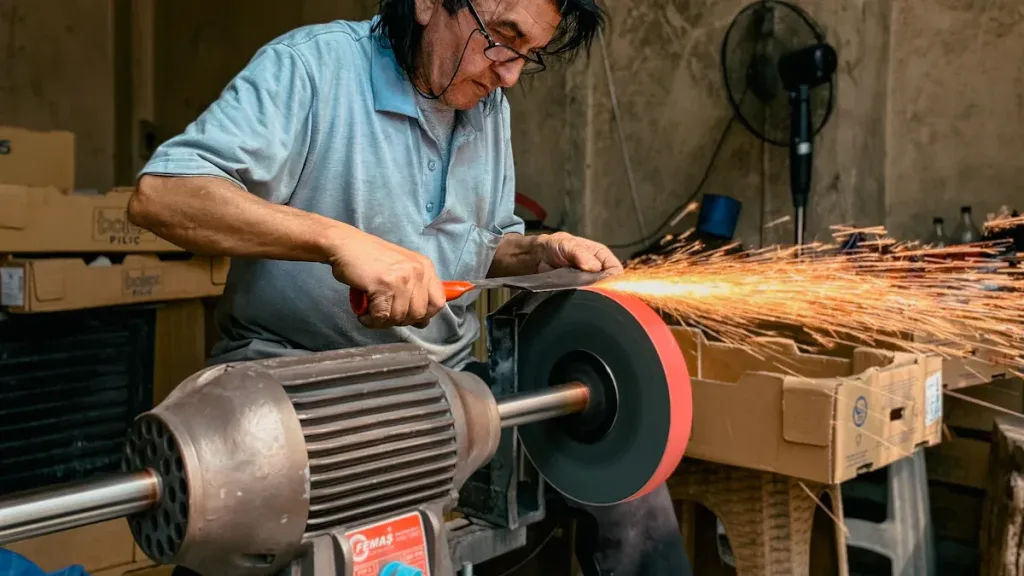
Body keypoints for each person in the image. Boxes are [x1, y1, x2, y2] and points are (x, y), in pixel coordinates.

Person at [128, 0, 692, 574]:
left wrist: (537, 252)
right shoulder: (311, 69)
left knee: (634, 489)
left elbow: (479, 244)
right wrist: (338, 241)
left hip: (444, 393)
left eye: (529, 55)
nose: (510, 75)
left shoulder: (485, 103)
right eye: (503, 37)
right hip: (297, 390)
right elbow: (165, 195)